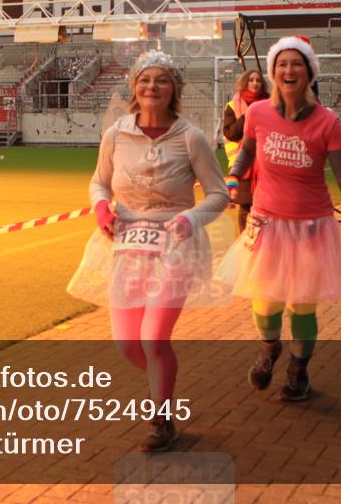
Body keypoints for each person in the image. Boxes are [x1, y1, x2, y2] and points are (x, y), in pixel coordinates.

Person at [67, 50, 228, 452]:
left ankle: (161, 417)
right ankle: (162, 386)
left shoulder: (190, 137)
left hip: (175, 245)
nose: (151, 86)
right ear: (134, 87)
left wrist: (191, 218)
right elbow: (99, 182)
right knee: (127, 344)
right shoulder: (116, 134)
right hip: (128, 244)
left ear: (174, 88)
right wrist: (101, 208)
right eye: (144, 79)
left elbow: (219, 194)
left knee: (154, 338)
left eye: (161, 79)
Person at [217, 36, 341, 401]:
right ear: (274, 73)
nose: (289, 70)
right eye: (282, 64)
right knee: (265, 303)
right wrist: (233, 176)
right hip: (266, 223)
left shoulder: (328, 122)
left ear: (309, 73)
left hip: (311, 227)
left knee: (301, 305)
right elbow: (246, 154)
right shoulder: (258, 114)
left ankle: (298, 371)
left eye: (296, 64)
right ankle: (270, 348)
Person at [221, 68, 269, 232]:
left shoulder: (271, 103)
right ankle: (245, 240)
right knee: (246, 206)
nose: (255, 83)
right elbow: (230, 134)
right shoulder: (232, 106)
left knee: (267, 205)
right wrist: (248, 115)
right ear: (244, 83)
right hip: (243, 165)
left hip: (266, 162)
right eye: (251, 80)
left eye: (258, 80)